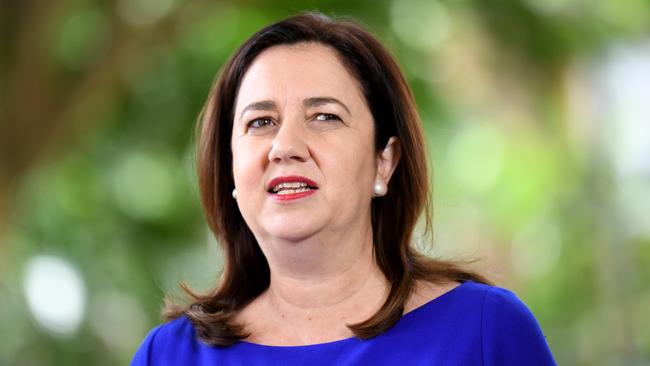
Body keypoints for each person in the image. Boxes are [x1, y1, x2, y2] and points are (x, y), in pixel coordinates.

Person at [131, 12, 556, 365]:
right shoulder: (168, 354)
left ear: (384, 161)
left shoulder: (485, 331)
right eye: (261, 122)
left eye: (324, 116)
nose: (285, 147)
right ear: (230, 170)